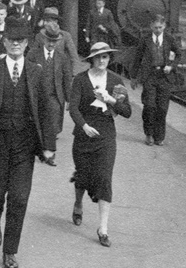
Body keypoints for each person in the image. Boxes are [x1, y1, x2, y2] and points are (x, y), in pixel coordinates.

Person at [0, 16, 57, 268]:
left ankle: (10, 251)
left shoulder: (36, 72)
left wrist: (49, 145)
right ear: (4, 42)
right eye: (11, 40)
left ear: (27, 43)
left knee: (19, 198)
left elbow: (45, 110)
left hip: (24, 145)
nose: (15, 45)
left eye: (20, 41)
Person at [69, 42, 132, 248]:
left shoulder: (115, 81)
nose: (102, 60)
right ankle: (78, 204)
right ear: (91, 60)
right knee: (83, 175)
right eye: (98, 57)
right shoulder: (80, 80)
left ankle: (103, 229)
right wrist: (84, 126)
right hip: (84, 134)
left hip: (106, 134)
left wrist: (111, 100)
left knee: (104, 178)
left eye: (105, 57)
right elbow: (74, 109)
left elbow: (127, 112)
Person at [131, 14, 181, 146]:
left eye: (160, 27)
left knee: (162, 108)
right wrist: (133, 77)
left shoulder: (170, 39)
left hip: (165, 77)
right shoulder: (145, 39)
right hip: (150, 77)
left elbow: (178, 54)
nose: (157, 30)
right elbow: (138, 57)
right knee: (149, 106)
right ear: (151, 26)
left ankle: (159, 137)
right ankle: (149, 134)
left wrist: (171, 66)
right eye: (155, 27)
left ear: (164, 26)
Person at [26, 25, 74, 144]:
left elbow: (67, 79)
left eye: (55, 41)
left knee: (52, 125)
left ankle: (49, 153)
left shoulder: (62, 57)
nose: (51, 44)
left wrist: (69, 99)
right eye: (49, 41)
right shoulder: (33, 54)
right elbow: (25, 75)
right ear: (43, 39)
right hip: (36, 96)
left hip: (55, 97)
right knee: (36, 124)